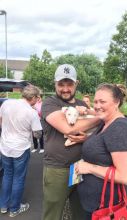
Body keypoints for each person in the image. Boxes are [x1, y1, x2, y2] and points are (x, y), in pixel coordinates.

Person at [41, 64, 99, 220]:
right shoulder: (50, 103)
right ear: (55, 84)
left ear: (76, 84)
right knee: (52, 214)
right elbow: (68, 128)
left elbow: (95, 133)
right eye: (61, 84)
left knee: (80, 213)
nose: (65, 89)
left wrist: (86, 137)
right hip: (57, 169)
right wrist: (100, 117)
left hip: (80, 168)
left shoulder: (83, 104)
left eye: (69, 84)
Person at [74, 83, 127, 220]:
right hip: (94, 203)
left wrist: (90, 168)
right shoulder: (105, 122)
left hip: (105, 208)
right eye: (95, 101)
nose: (97, 106)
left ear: (117, 102)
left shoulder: (119, 129)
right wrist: (87, 140)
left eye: (102, 101)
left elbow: (125, 177)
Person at [0, 85, 42, 217]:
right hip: (20, 148)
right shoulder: (32, 112)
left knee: (7, 175)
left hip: (5, 146)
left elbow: (1, 121)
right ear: (34, 97)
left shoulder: (7, 103)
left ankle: (3, 206)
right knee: (18, 178)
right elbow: (37, 135)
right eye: (38, 97)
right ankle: (14, 208)